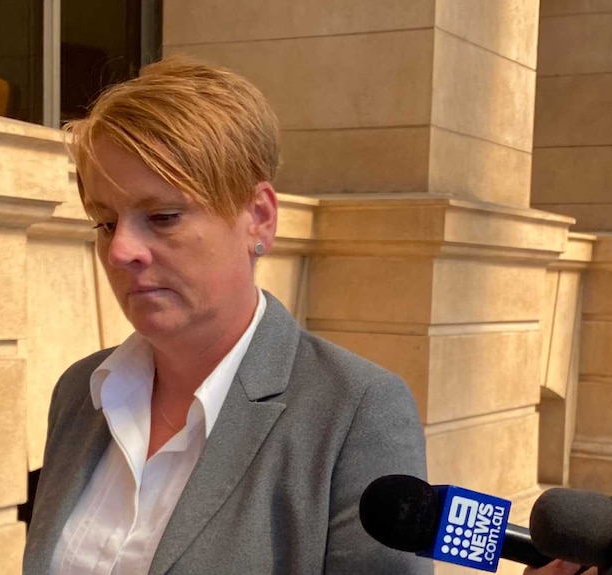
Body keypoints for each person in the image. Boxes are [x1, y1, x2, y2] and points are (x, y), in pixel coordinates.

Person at [23, 56, 431, 574]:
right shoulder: (81, 392)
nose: (121, 250)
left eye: (163, 216)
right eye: (105, 222)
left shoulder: (355, 411)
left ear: (258, 217)